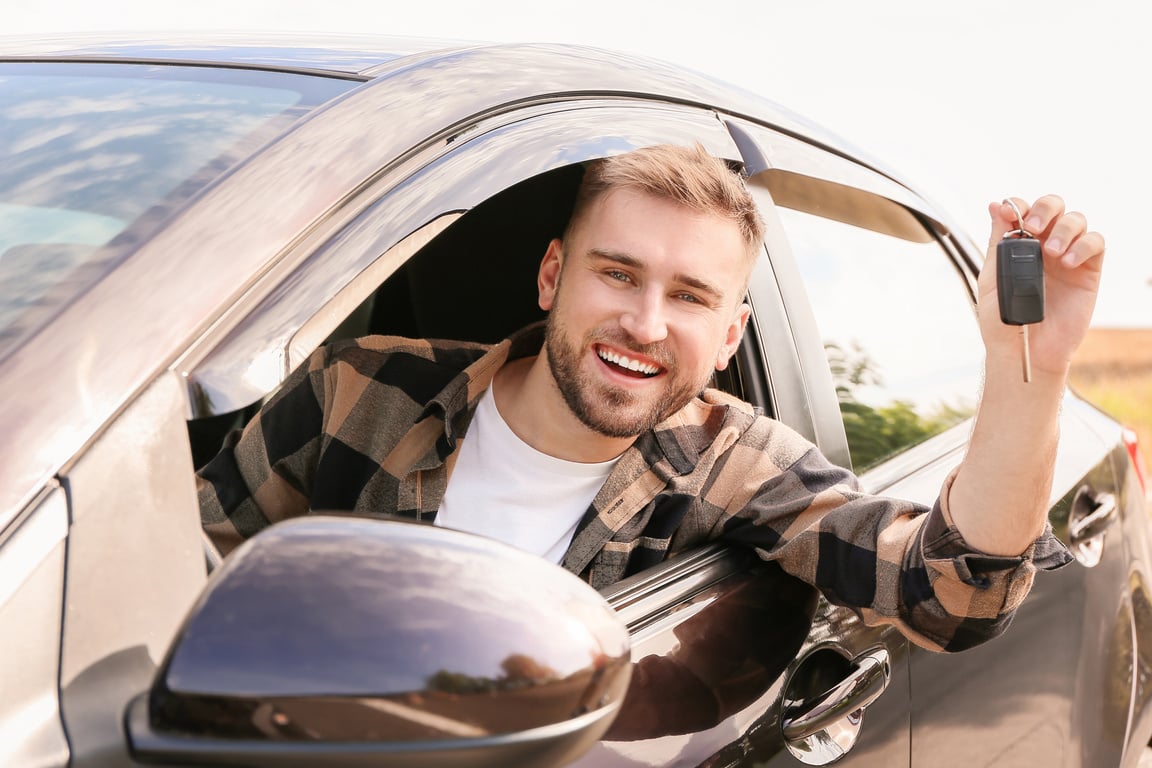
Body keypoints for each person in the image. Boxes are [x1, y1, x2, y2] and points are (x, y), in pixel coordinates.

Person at [198, 143, 1104, 653]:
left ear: (731, 336)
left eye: (691, 296)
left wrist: (1033, 366)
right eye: (617, 274)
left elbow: (951, 597)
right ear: (553, 274)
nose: (644, 322)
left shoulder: (735, 461)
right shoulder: (355, 388)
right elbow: (172, 577)